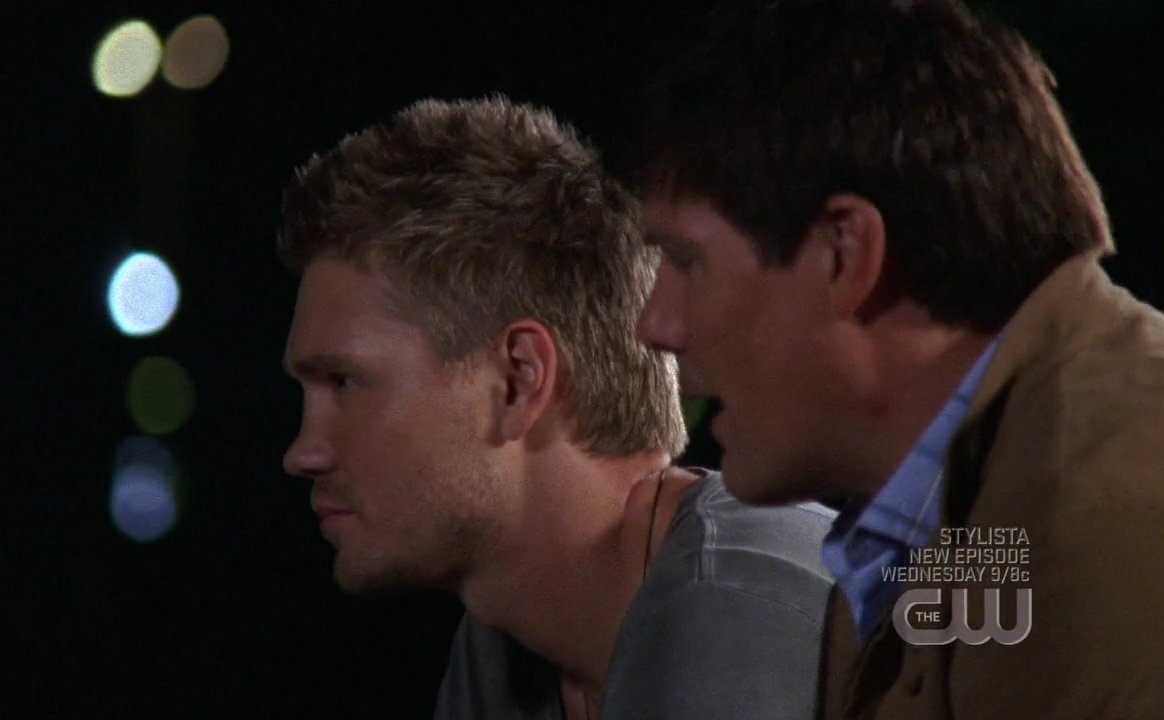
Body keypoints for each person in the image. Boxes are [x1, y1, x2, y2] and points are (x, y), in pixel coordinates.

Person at [631, 0, 1164, 718]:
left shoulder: (1123, 544)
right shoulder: (977, 514)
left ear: (844, 254)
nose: (655, 324)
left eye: (687, 261)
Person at [276, 95, 835, 720]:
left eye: (344, 383)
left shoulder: (739, 603)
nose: (304, 453)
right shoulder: (501, 650)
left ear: (518, 380)